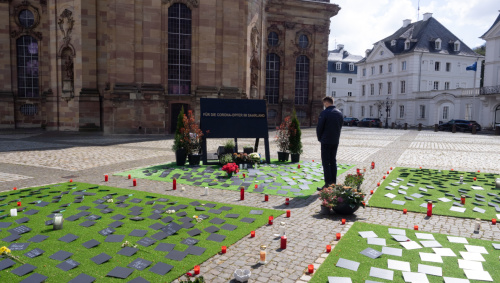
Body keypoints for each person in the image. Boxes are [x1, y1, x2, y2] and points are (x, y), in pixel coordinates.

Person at [316, 96, 343, 191]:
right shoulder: (339, 113)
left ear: (326, 103)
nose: (324, 105)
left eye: (324, 104)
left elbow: (319, 127)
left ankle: (327, 184)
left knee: (326, 163)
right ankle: (333, 183)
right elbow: (340, 126)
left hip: (326, 141)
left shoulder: (325, 113)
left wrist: (320, 138)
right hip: (335, 141)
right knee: (333, 161)